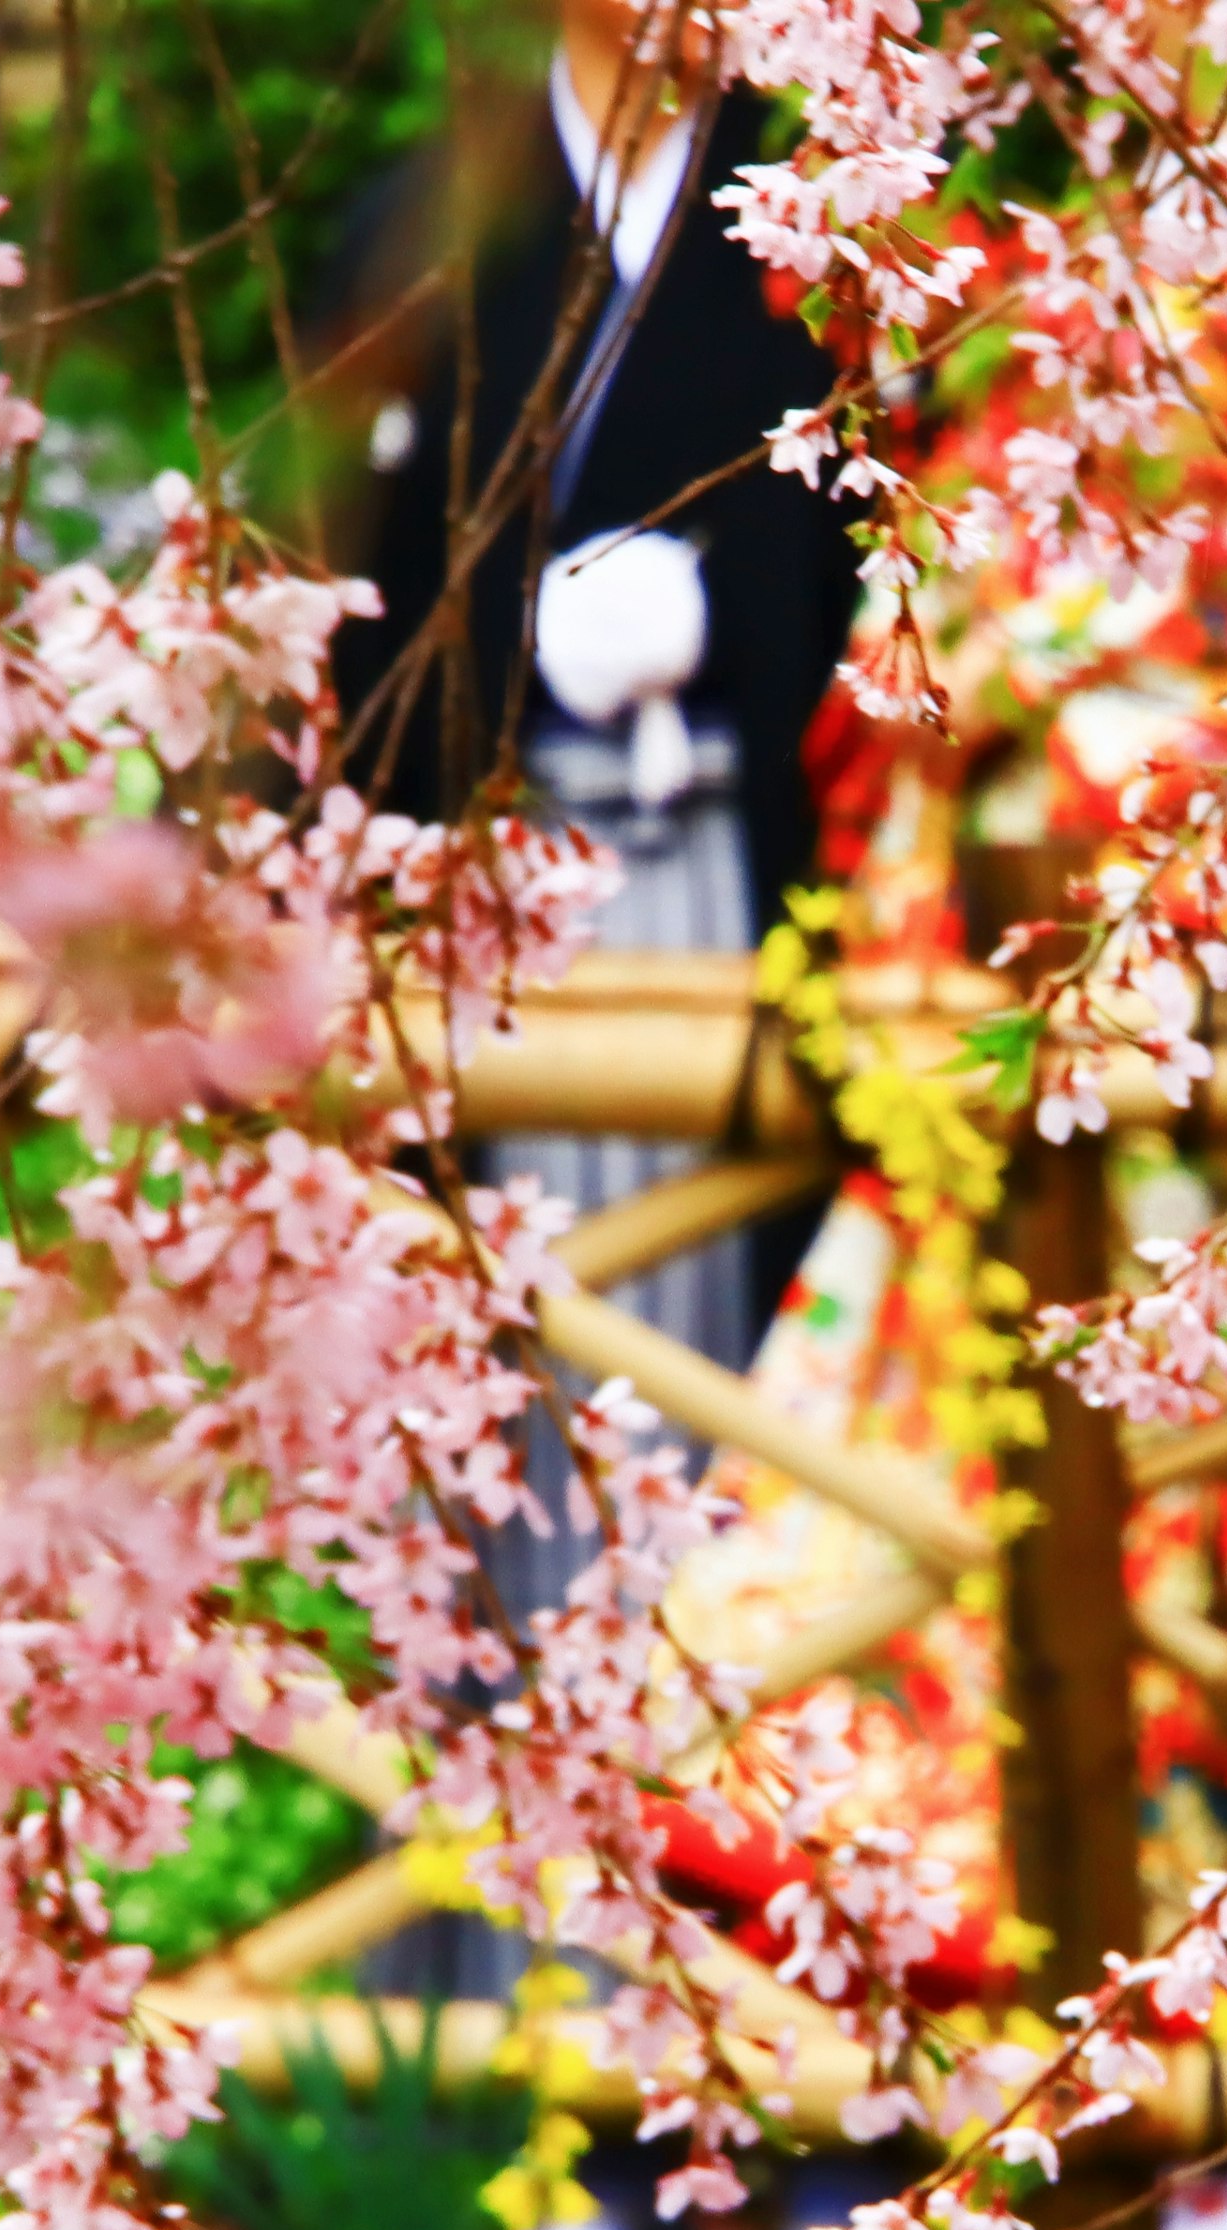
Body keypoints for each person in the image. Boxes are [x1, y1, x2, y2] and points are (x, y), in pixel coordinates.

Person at [316, 0, 863, 2001]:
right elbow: (333, 609)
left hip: (735, 891)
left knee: (700, 1413)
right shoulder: (426, 231)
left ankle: (707, 2001)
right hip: (466, 898)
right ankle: (467, 1989)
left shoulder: (832, 223)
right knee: (480, 1424)